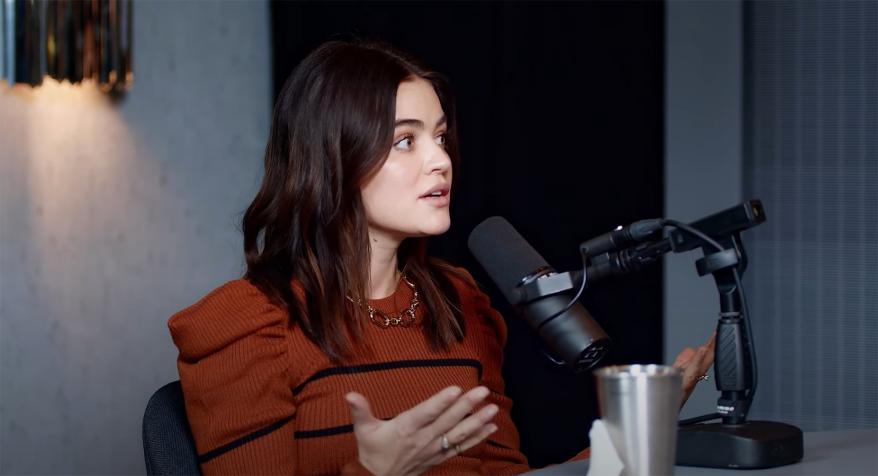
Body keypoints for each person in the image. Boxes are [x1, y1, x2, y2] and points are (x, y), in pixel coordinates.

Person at [168, 40, 715, 476]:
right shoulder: (247, 325)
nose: (441, 161)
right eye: (406, 141)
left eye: (441, 136)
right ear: (333, 158)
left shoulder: (458, 303)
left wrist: (637, 431)